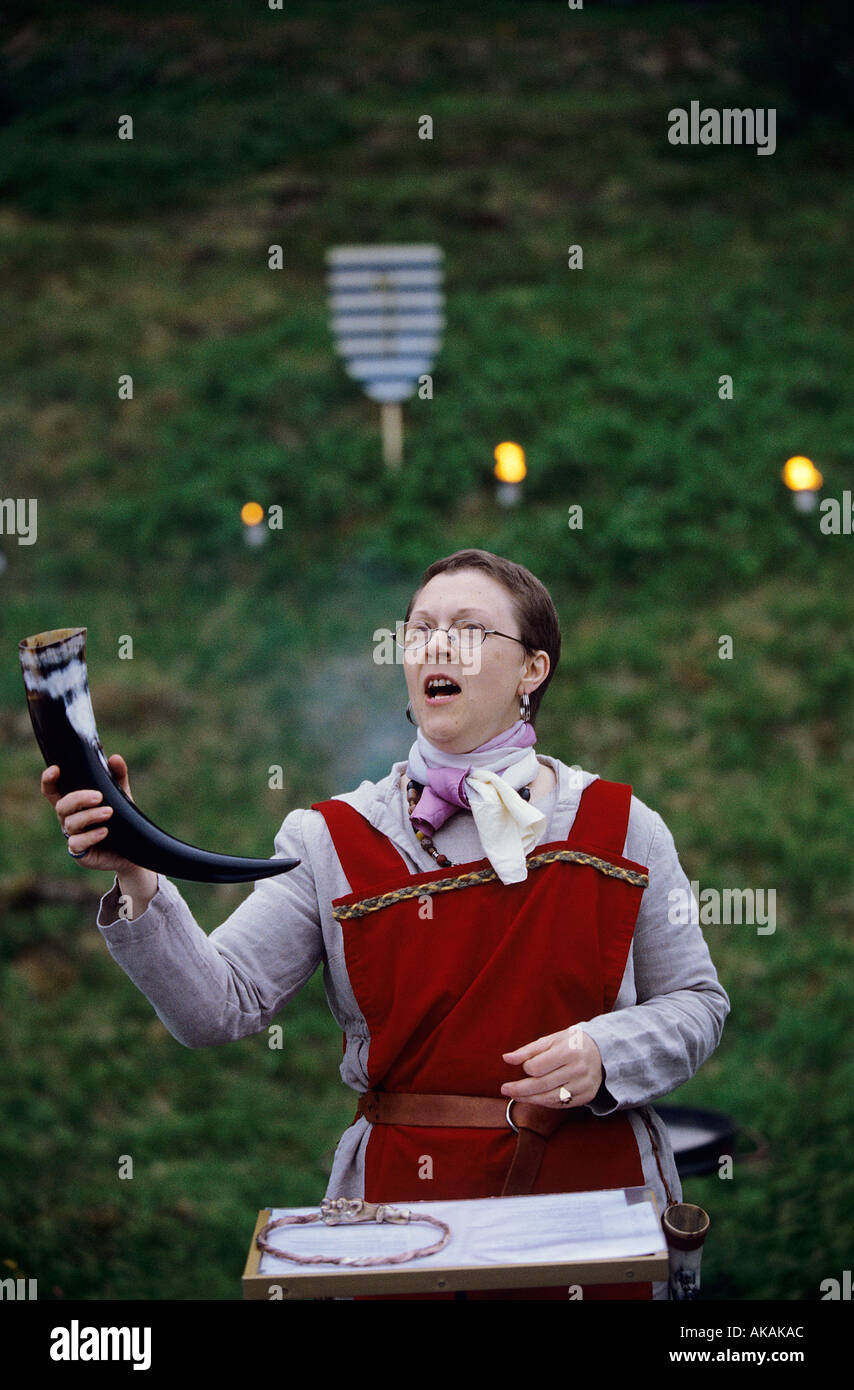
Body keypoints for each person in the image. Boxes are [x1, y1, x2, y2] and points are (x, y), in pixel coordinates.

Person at [40, 547, 730, 1300]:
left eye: (468, 630)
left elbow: (697, 1003)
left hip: (594, 1210)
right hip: (403, 1219)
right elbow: (215, 1007)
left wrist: (608, 1050)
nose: (436, 645)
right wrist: (137, 870)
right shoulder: (328, 839)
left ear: (533, 670)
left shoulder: (623, 827)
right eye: (421, 629)